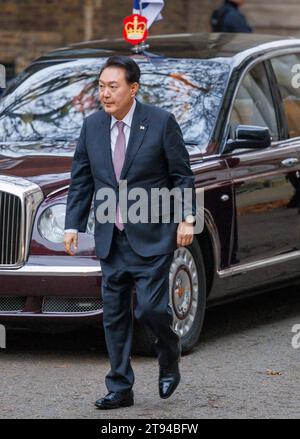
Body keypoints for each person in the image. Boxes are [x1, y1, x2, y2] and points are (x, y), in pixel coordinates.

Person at [64, 56, 197, 409]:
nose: (105, 94)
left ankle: (169, 354)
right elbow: (81, 180)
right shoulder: (92, 126)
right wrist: (73, 225)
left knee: (151, 309)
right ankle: (120, 387)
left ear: (133, 88)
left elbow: (182, 175)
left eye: (113, 87)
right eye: (101, 86)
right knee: (115, 314)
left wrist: (187, 218)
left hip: (152, 234)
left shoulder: (160, 122)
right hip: (112, 236)